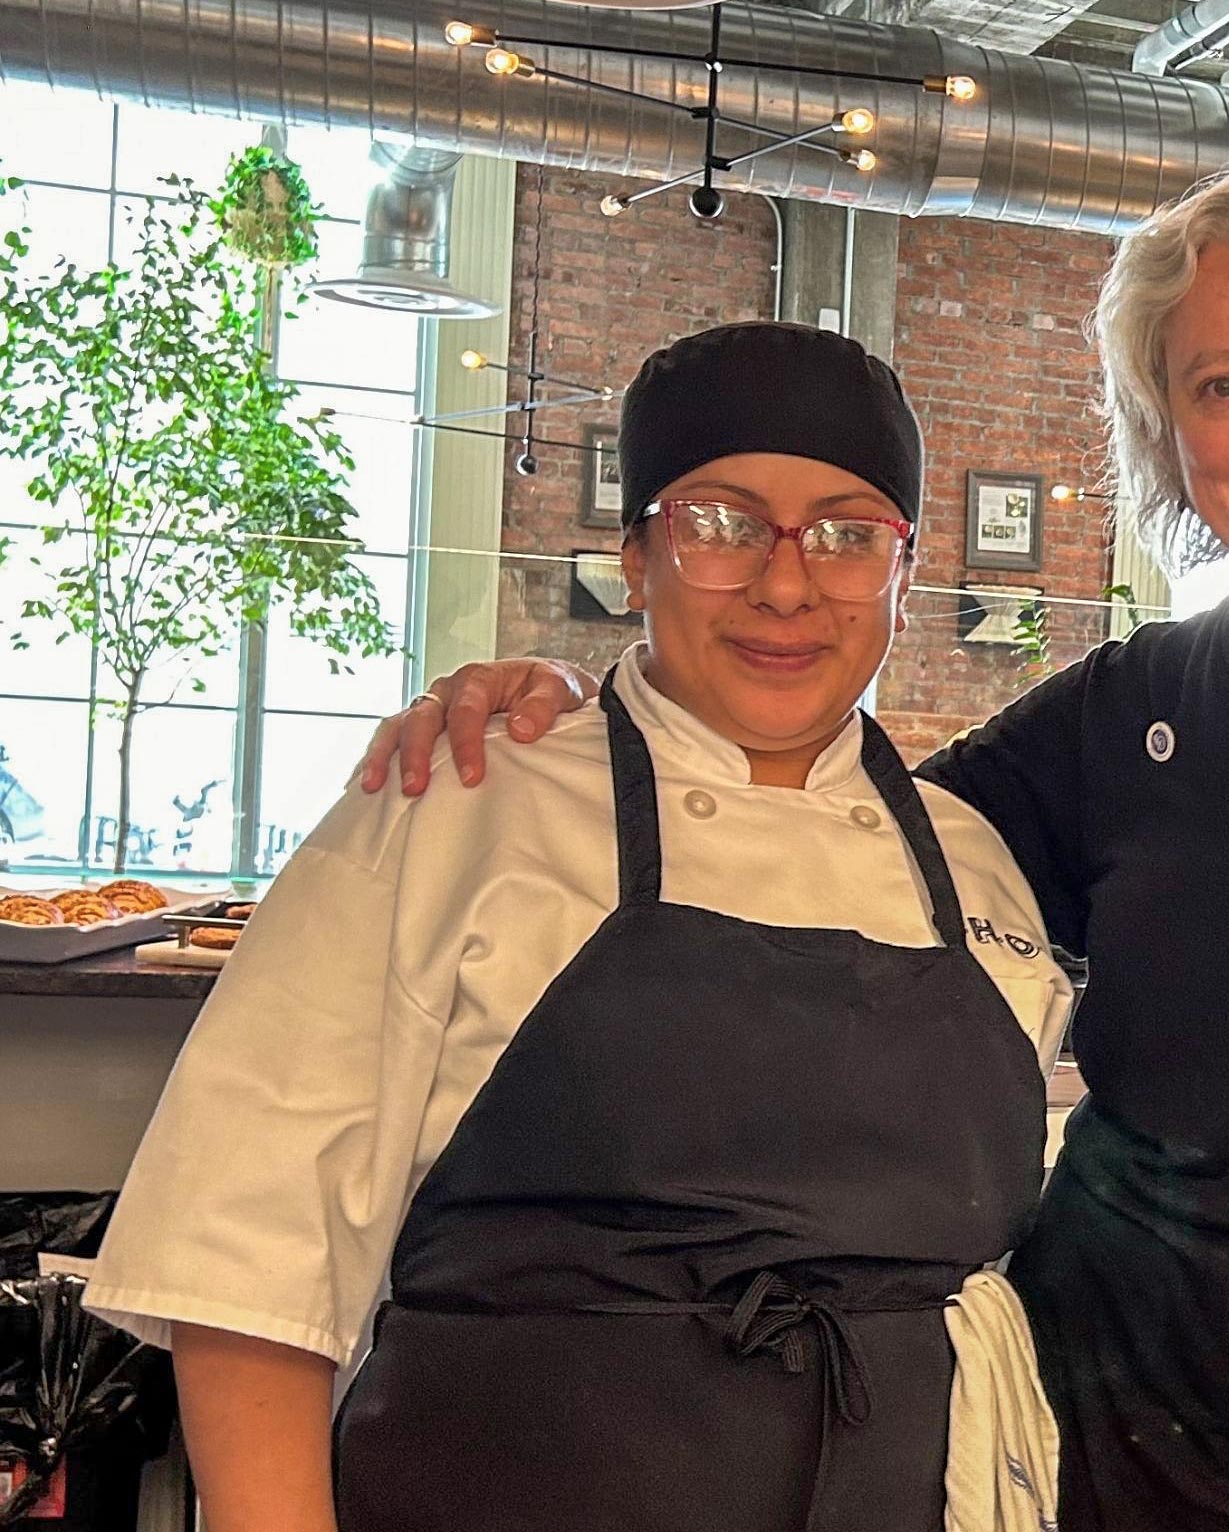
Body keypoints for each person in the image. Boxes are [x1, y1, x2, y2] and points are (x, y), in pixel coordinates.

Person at [360, 152, 1229, 1532]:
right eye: (1216, 386)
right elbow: (800, 820)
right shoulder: (1126, 711)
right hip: (1087, 1456)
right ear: (1169, 438)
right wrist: (580, 706)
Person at [85, 323, 1071, 1532]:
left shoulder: (975, 867)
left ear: (904, 575)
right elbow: (248, 1262)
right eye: (720, 521)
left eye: (848, 534)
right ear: (635, 550)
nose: (783, 581)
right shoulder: (455, 804)